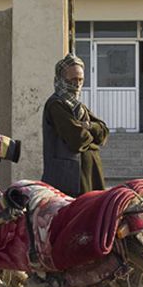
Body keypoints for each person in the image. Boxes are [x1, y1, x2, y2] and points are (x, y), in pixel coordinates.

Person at [41, 54, 109, 197]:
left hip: (89, 178)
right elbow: (77, 139)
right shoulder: (56, 104)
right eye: (72, 80)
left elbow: (103, 132)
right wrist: (93, 140)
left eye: (80, 80)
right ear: (62, 79)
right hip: (69, 181)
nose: (77, 84)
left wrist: (88, 126)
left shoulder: (79, 107)